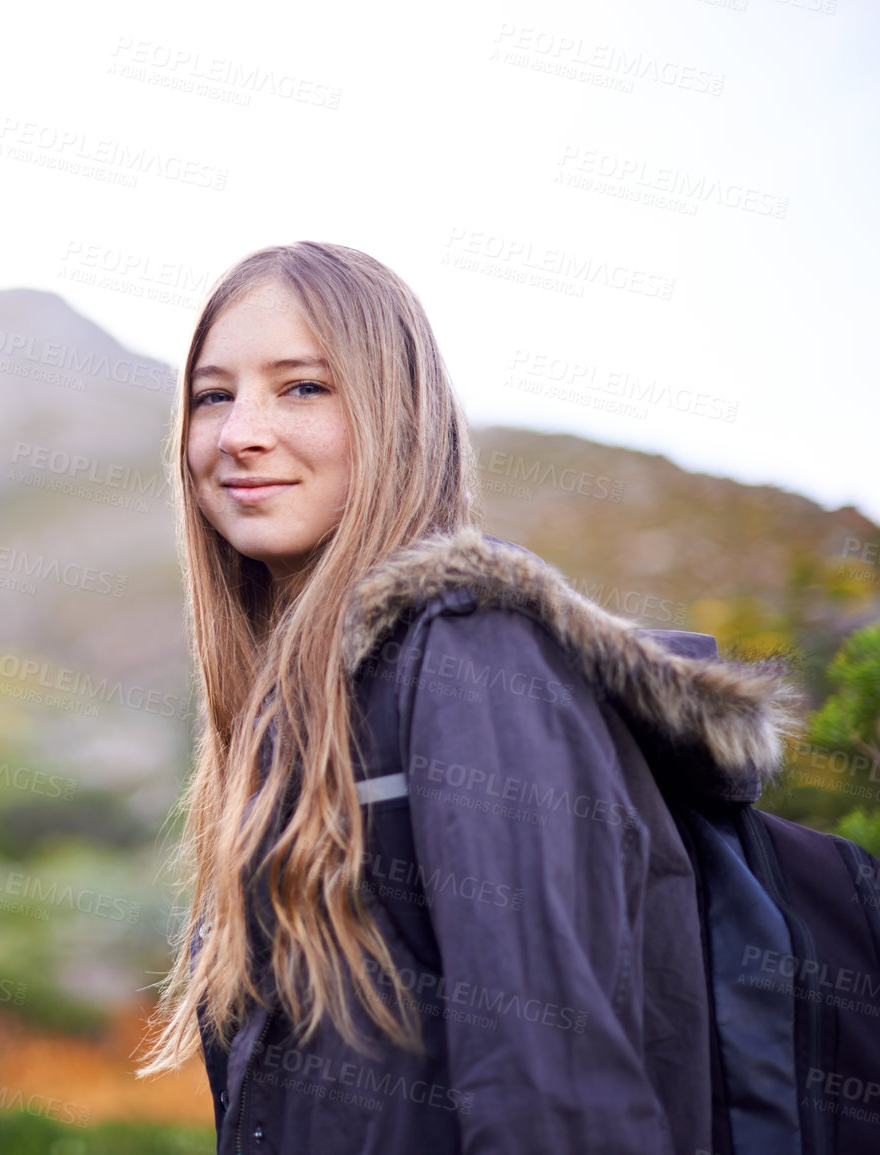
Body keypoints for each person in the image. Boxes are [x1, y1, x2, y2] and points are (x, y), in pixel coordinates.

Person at [136, 241, 800, 1153]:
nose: (239, 431)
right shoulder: (282, 717)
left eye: (302, 387)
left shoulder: (468, 653)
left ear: (396, 416)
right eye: (213, 394)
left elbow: (557, 1098)